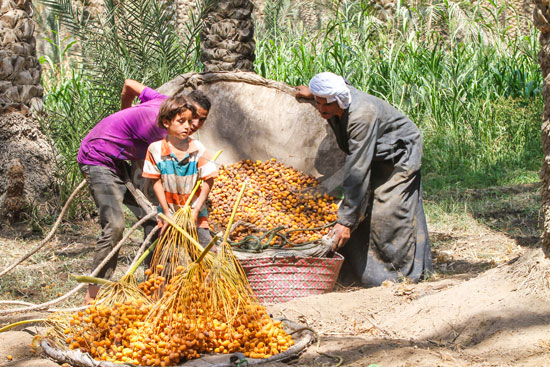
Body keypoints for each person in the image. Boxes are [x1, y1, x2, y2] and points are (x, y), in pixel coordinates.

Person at [77, 79, 212, 304]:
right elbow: (155, 174)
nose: (193, 124)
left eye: (200, 120)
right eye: (190, 117)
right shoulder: (162, 133)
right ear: (179, 111)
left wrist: (125, 120)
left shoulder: (162, 102)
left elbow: (129, 85)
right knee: (116, 225)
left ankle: (154, 286)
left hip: (120, 160)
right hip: (97, 158)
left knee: (153, 218)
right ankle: (92, 296)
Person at [295, 72, 432, 287]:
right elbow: (339, 84)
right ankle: (359, 272)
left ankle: (398, 275)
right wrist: (313, 93)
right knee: (364, 209)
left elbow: (357, 168)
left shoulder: (361, 116)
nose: (322, 110)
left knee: (389, 211)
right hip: (377, 152)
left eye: (326, 105)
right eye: (318, 103)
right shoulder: (336, 95)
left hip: (399, 155)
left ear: (339, 100)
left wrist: (345, 221)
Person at [142, 94, 217, 247]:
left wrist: (196, 209)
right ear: (166, 122)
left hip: (194, 213)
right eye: (181, 121)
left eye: (190, 121)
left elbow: (209, 179)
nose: (188, 126)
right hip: (168, 210)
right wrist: (166, 212)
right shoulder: (155, 149)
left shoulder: (198, 149)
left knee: (203, 251)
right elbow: (155, 181)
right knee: (164, 255)